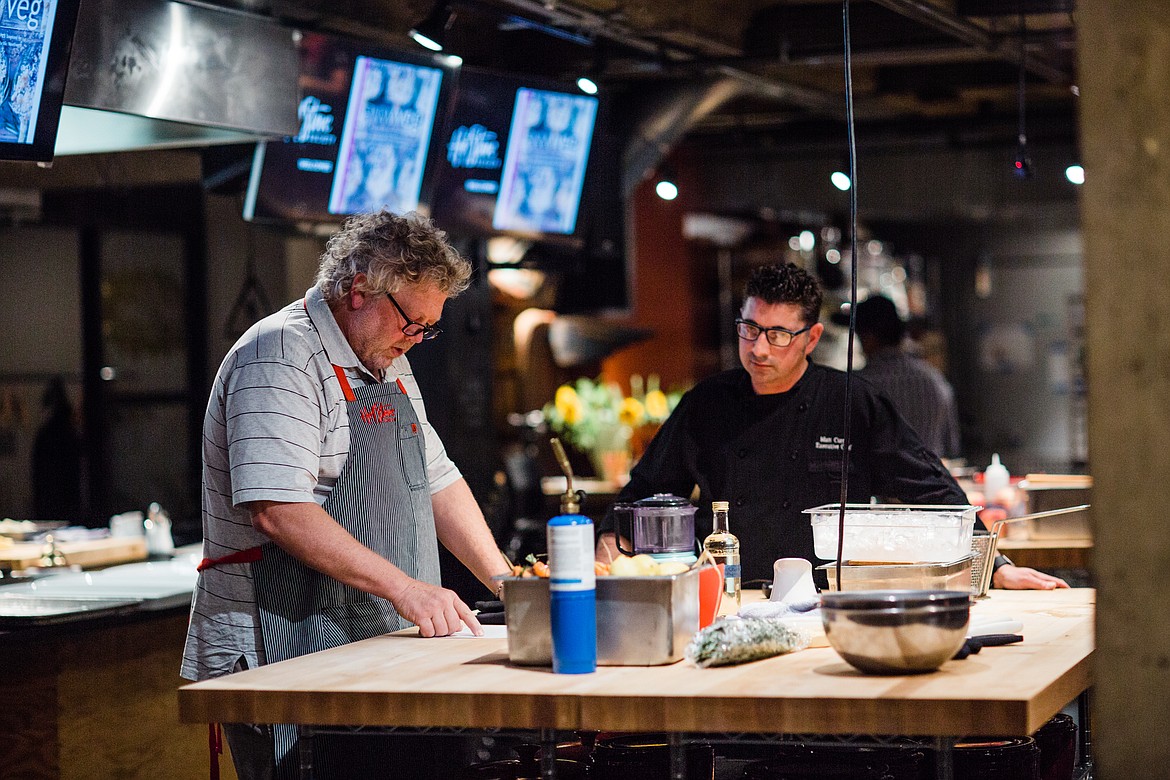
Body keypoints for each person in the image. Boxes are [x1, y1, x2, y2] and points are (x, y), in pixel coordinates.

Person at [182, 210, 511, 779]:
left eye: (428, 329)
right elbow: (278, 510)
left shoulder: (387, 360)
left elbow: (438, 479)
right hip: (279, 647)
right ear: (359, 290)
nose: (417, 341)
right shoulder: (279, 356)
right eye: (412, 323)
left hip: (361, 641)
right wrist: (407, 589)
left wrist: (510, 585)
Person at [595, 262, 1066, 592]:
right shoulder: (707, 404)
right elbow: (648, 491)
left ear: (811, 338)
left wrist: (995, 566)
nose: (759, 348)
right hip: (731, 600)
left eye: (777, 335)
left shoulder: (851, 402)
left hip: (830, 603)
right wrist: (608, 543)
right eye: (750, 329)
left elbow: (933, 492)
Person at [849, 294, 961, 459]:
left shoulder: (858, 385)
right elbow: (952, 448)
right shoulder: (934, 380)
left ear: (868, 337)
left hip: (876, 483)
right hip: (930, 481)